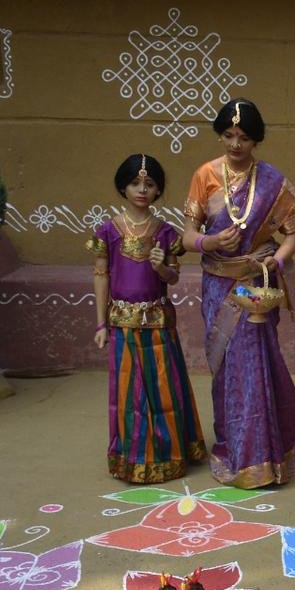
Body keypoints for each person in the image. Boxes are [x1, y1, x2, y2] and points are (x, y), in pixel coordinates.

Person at [182, 98, 295, 488]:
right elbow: (187, 237)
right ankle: (233, 449)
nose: (235, 144)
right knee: (227, 369)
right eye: (228, 135)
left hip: (255, 284)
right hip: (218, 285)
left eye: (244, 138)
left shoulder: (271, 180)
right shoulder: (205, 175)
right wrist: (211, 241)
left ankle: (264, 456)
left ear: (256, 140)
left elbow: (292, 237)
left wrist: (276, 262)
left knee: (255, 365)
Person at [89, 153, 206, 483]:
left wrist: (160, 265)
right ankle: (133, 456)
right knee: (129, 393)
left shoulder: (166, 234)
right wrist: (100, 323)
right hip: (122, 324)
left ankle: (169, 453)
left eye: (149, 184)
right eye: (135, 183)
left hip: (158, 323)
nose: (142, 189)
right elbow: (101, 276)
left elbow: (172, 279)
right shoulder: (107, 232)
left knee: (164, 389)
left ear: (158, 190)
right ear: (122, 187)